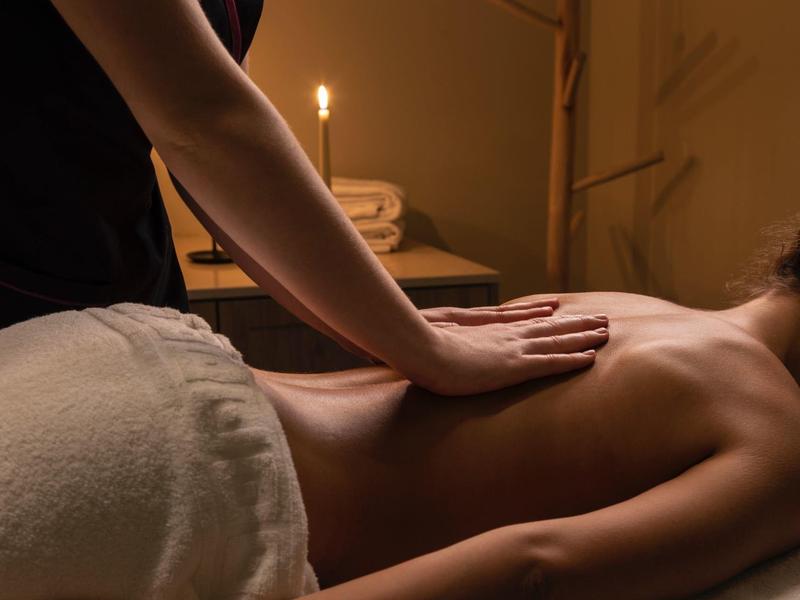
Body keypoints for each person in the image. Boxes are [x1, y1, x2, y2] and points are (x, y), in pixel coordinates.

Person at [2, 215, 799, 599]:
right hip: (176, 489)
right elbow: (536, 569)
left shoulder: (616, 303)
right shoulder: (773, 430)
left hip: (115, 360)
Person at [0, 0, 606, 396]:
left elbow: (195, 147)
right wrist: (424, 350)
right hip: (24, 308)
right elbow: (204, 122)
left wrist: (383, 333)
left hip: (128, 278)